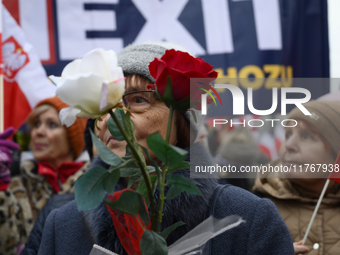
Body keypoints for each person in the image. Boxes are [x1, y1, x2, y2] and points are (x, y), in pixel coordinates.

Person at [38, 43, 295, 255]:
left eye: (138, 100)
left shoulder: (249, 219)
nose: (113, 117)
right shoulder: (62, 226)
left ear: (181, 123)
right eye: (105, 104)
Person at [0, 96, 88, 255]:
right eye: (36, 124)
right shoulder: (13, 186)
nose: (38, 132)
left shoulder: (95, 185)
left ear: (72, 137)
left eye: (52, 125)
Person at [253, 100, 340, 255]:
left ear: (336, 152)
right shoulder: (255, 208)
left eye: (307, 136)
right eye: (288, 134)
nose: (289, 145)